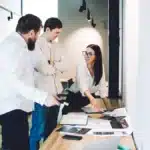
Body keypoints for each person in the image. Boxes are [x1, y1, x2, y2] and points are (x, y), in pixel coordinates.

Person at [0, 14, 60, 150]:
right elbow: (13, 82)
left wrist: (46, 94)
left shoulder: (16, 45)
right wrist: (43, 97)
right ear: (31, 32)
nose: (37, 38)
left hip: (14, 108)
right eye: (37, 34)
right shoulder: (14, 48)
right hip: (13, 108)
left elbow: (26, 76)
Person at [29, 17, 63, 150]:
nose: (57, 36)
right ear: (47, 29)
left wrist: (52, 65)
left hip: (55, 93)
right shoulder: (37, 43)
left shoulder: (54, 45)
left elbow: (62, 63)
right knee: (38, 131)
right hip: (42, 95)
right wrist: (53, 66)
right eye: (56, 32)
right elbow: (41, 67)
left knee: (52, 129)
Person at [63, 44, 108, 113]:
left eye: (90, 54)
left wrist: (109, 108)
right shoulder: (81, 66)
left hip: (86, 99)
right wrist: (91, 98)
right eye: (86, 53)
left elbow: (102, 88)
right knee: (67, 114)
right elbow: (83, 85)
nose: (86, 56)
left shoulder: (100, 67)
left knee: (82, 117)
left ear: (96, 56)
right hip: (74, 96)